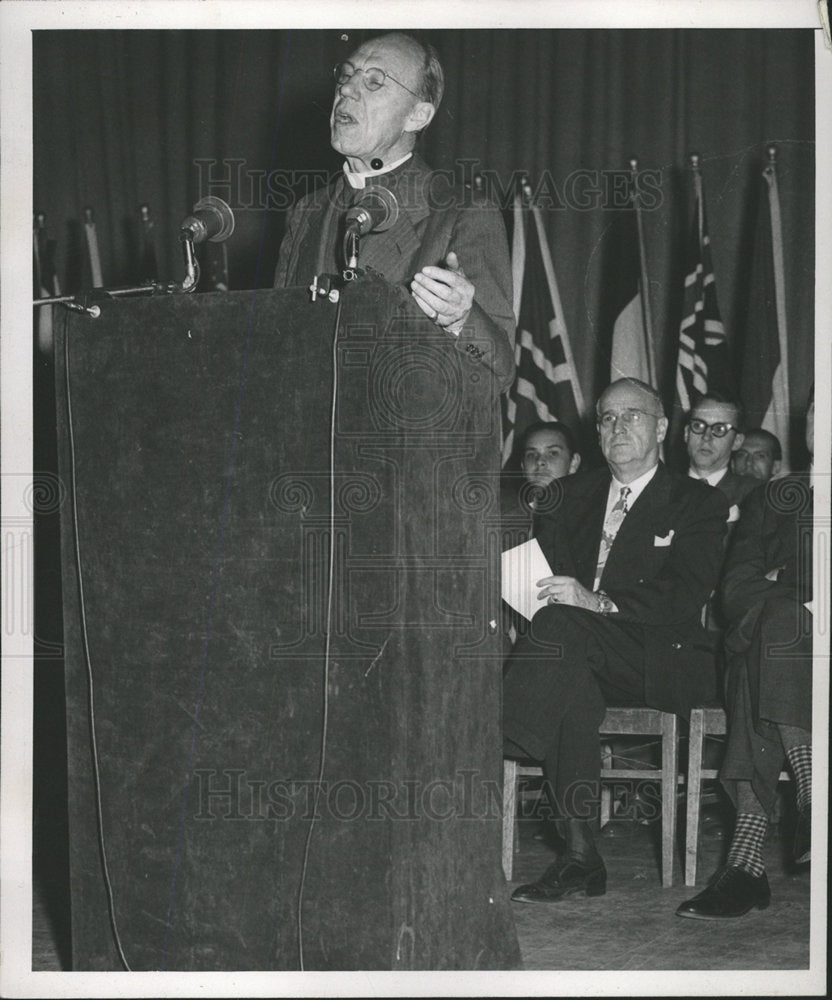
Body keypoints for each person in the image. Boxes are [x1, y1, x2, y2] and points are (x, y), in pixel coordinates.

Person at [503, 378, 728, 902]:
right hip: (575, 652)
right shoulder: (568, 496)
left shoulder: (697, 501)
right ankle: (581, 854)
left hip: (659, 655)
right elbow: (548, 581)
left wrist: (597, 601)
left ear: (663, 428)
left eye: (633, 416)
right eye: (607, 418)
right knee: (569, 680)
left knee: (562, 633)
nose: (618, 426)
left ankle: (497, 737)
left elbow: (684, 594)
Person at [273, 31, 515, 391]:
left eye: (374, 82)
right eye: (347, 75)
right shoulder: (306, 211)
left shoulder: (462, 213)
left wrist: (460, 320)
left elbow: (500, 373)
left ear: (417, 116)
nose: (348, 90)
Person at [677, 394, 814, 920]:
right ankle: (811, 790)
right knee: (770, 629)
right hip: (783, 644)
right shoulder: (774, 498)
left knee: (765, 634)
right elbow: (735, 591)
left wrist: (788, 583)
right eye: (817, 411)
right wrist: (794, 596)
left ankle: (745, 863)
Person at [685, 393, 758, 509]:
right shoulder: (661, 489)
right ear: (686, 433)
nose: (706, 437)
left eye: (720, 429)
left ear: (737, 441)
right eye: (698, 426)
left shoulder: (755, 496)